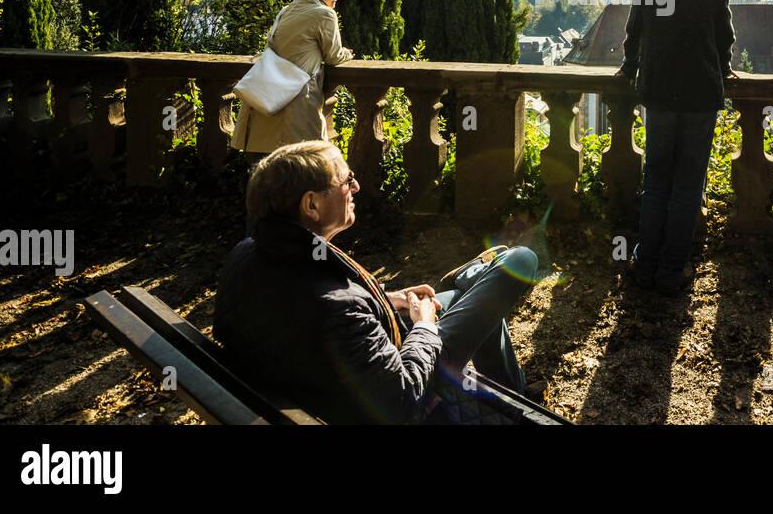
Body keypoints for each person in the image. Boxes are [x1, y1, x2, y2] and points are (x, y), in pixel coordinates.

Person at [213, 140, 538, 423]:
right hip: (415, 381)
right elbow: (401, 395)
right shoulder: (340, 311)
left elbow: (302, 306)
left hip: (347, 371)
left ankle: (515, 391)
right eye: (346, 180)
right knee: (520, 261)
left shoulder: (248, 254)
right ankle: (477, 279)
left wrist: (387, 297)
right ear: (311, 204)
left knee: (478, 297)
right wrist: (425, 327)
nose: (355, 187)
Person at [615, 0, 735, 295]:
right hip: (700, 97)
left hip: (660, 95)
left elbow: (633, 35)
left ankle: (645, 263)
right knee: (687, 187)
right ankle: (671, 269)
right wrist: (726, 67)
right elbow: (724, 40)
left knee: (656, 184)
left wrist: (629, 66)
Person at [231, 0, 355, 155]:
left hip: (269, 90)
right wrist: (346, 53)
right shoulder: (325, 14)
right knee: (308, 159)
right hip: (298, 96)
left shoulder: (286, 10)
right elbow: (333, 56)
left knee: (271, 161)